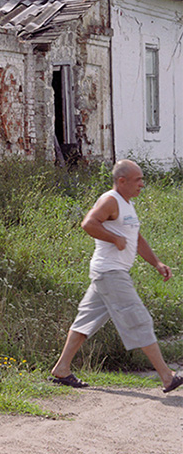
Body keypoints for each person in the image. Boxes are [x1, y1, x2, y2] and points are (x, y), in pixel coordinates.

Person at [48, 159, 183, 392]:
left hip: (107, 274)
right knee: (140, 319)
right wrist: (113, 238)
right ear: (122, 181)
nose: (142, 184)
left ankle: (62, 369)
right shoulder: (110, 200)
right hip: (110, 272)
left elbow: (136, 239)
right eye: (138, 179)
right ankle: (166, 376)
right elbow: (88, 223)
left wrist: (157, 263)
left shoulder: (127, 204)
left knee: (84, 323)